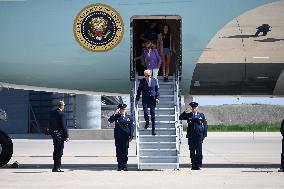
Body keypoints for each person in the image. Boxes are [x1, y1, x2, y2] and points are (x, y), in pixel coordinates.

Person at [179, 102, 208, 170]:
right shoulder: (188, 115)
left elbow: (205, 125)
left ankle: (198, 165)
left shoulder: (201, 115)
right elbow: (180, 117)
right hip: (191, 135)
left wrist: (204, 134)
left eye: (195, 108)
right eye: (192, 108)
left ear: (197, 108)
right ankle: (193, 165)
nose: (193, 109)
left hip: (199, 135)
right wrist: (185, 112)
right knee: (192, 150)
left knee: (199, 150)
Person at [108, 104, 134, 171]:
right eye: (121, 109)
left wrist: (131, 136)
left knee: (125, 152)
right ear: (119, 110)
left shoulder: (129, 117)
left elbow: (131, 127)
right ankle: (119, 166)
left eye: (123, 109)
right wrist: (115, 113)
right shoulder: (116, 116)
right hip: (118, 137)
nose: (122, 110)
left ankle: (124, 166)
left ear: (125, 110)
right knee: (119, 152)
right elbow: (110, 120)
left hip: (125, 137)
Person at [136, 70, 160, 136]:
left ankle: (153, 130)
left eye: (148, 75)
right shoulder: (142, 81)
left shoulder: (154, 80)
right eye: (145, 76)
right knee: (146, 113)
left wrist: (157, 98)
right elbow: (139, 91)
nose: (147, 77)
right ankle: (147, 122)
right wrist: (137, 99)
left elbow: (157, 90)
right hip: (145, 100)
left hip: (152, 99)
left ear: (151, 75)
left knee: (153, 115)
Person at [49, 100, 69, 172]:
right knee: (59, 151)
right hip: (60, 136)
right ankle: (57, 167)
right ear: (62, 106)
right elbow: (64, 127)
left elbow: (50, 124)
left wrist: (52, 133)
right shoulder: (62, 114)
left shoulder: (52, 113)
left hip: (54, 135)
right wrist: (66, 136)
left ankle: (55, 167)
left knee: (55, 151)